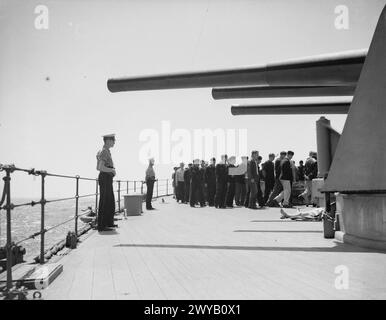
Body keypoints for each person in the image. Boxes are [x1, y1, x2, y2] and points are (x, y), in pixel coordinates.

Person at [96, 134, 117, 231]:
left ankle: (108, 223)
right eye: (113, 140)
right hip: (105, 178)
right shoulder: (104, 151)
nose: (114, 141)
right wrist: (111, 171)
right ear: (108, 140)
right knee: (104, 201)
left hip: (107, 178)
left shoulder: (106, 151)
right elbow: (100, 167)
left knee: (110, 201)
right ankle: (102, 225)